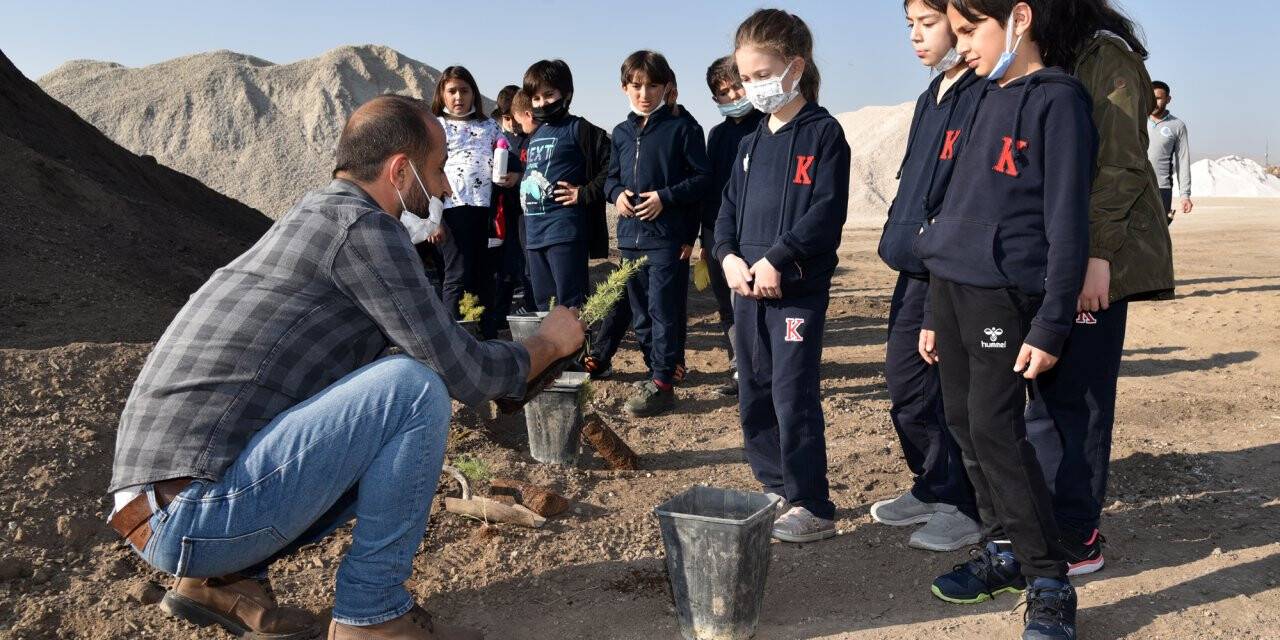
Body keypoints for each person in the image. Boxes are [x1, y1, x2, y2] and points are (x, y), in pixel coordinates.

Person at [106, 94, 585, 640]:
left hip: (159, 507)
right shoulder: (363, 230)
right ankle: (373, 616)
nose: (447, 189)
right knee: (412, 388)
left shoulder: (314, 218)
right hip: (192, 513)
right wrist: (546, 344)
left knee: (382, 394)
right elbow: (463, 372)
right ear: (400, 169)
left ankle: (224, 583)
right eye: (436, 171)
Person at [914, 2, 1096, 638]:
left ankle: (1049, 578)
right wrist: (934, 307)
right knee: (962, 421)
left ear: (1019, 17)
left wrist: (1051, 324)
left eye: (969, 30)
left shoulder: (1060, 101)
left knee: (996, 428)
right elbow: (954, 208)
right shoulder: (980, 99)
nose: (960, 45)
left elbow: (1068, 221)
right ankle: (1003, 550)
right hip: (952, 288)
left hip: (1004, 295)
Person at [1021, 0, 1175, 578]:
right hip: (1050, 254)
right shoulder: (1046, 56)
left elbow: (1120, 165)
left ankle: (1077, 533)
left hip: (1093, 258)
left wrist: (1096, 255)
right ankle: (1046, 520)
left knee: (1078, 402)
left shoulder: (1103, 55)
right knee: (1042, 398)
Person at [715, 9, 851, 543]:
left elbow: (825, 212)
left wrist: (778, 257)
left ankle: (812, 502)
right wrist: (727, 255)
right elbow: (727, 209)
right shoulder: (749, 144)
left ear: (794, 69)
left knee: (793, 394)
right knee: (754, 389)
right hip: (746, 290)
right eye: (745, 79)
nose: (753, 88)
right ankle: (774, 483)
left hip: (794, 290)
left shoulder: (824, 134)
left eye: (760, 75)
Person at [870, 0, 983, 554]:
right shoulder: (929, 97)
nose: (916, 36)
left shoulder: (981, 94)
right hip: (914, 268)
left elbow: (961, 200)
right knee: (907, 387)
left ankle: (967, 505)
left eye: (928, 23)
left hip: (950, 273)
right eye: (909, 25)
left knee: (945, 392)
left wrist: (941, 303)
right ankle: (934, 484)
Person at [605, 50, 711, 417]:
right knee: (640, 314)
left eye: (652, 85)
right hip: (629, 238)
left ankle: (663, 380)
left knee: (663, 310)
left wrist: (665, 198)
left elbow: (702, 179)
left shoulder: (684, 127)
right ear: (624, 88)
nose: (644, 93)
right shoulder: (619, 133)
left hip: (666, 237)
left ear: (667, 87)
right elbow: (610, 179)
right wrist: (615, 194)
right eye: (636, 86)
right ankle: (658, 372)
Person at [519, 59, 611, 310]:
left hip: (564, 233)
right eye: (536, 98)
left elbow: (612, 166)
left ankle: (580, 351)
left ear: (567, 94)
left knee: (571, 305)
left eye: (549, 95)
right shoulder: (536, 135)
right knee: (544, 306)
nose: (542, 103)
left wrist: (584, 193)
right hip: (535, 236)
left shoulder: (580, 129)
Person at [700, 54, 765, 397]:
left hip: (755, 229)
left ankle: (762, 366)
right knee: (726, 303)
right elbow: (713, 188)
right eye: (724, 92)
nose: (733, 97)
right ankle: (739, 367)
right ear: (716, 99)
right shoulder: (717, 135)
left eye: (737, 87)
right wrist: (704, 238)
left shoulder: (768, 125)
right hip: (718, 231)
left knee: (755, 299)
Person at [425, 66, 508, 320]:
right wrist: (434, 219)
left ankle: (484, 334)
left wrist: (511, 172)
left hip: (485, 210)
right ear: (442, 94)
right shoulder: (435, 126)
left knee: (484, 273)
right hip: (451, 209)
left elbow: (506, 156)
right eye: (452, 91)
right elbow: (427, 173)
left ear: (474, 93)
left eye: (464, 90)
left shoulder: (489, 126)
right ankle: (450, 333)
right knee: (456, 274)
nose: (458, 97)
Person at [483, 85, 537, 336]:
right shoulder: (495, 139)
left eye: (513, 118)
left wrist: (520, 174)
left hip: (526, 213)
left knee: (527, 267)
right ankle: (498, 319)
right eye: (506, 119)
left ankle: (533, 314)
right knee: (503, 270)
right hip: (502, 215)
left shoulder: (530, 135)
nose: (512, 124)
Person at [1148, 80, 1194, 222]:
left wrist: (1185, 195)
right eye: (1150, 97)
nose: (1153, 102)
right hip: (1135, 185)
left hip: (1162, 188)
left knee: (1157, 237)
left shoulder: (1177, 126)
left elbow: (1182, 160)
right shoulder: (1135, 121)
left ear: (1168, 100)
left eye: (1158, 98)